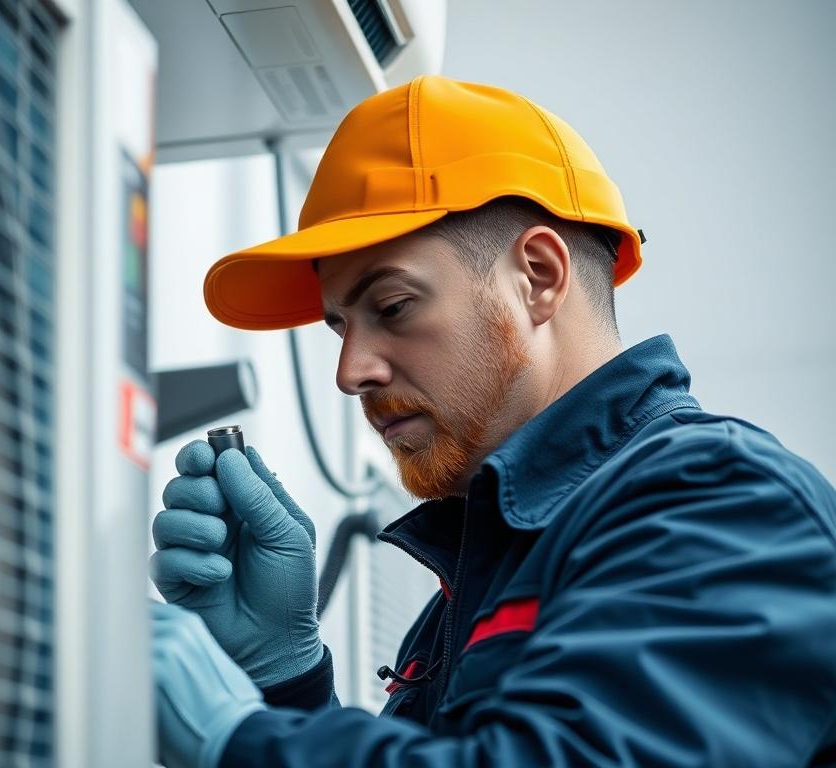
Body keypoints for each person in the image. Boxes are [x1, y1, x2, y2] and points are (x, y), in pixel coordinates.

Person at [148, 76, 836, 768]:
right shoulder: (495, 562)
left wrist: (234, 735)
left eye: (391, 307)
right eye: (339, 328)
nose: (350, 372)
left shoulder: (724, 505)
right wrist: (281, 678)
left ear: (536, 276)